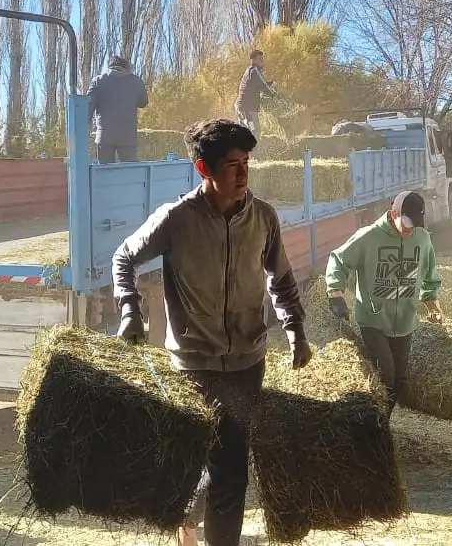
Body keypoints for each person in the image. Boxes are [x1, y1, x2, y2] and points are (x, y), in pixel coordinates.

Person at [112, 118, 313, 546]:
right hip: (194, 364)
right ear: (205, 170)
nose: (243, 175)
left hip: (247, 361)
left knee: (231, 469)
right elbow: (124, 257)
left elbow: (280, 279)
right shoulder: (175, 220)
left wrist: (295, 329)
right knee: (202, 461)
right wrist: (131, 309)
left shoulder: (263, 218)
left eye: (247, 164)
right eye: (232, 165)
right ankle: (187, 524)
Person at [324, 190, 442, 416]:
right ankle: (374, 427)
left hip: (405, 322)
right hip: (373, 319)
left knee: (398, 380)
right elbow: (338, 259)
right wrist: (335, 292)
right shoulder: (368, 237)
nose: (410, 230)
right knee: (385, 374)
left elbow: (429, 276)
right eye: (406, 224)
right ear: (394, 213)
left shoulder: (423, 238)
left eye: (415, 225)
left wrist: (432, 306)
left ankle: (380, 426)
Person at [87, 55, 148, 163]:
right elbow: (143, 102)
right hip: (128, 137)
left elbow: (87, 108)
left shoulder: (98, 81)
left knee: (104, 174)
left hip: (104, 137)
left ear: (110, 66)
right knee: (130, 174)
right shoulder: (136, 81)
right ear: (126, 67)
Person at [233, 49, 276, 134]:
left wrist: (271, 84)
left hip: (243, 108)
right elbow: (263, 85)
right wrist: (273, 95)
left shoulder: (252, 71)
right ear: (254, 60)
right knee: (254, 131)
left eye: (263, 59)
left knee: (247, 132)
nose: (262, 61)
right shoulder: (254, 70)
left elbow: (262, 84)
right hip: (246, 109)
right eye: (260, 59)